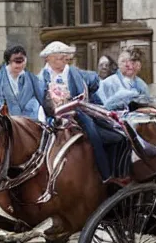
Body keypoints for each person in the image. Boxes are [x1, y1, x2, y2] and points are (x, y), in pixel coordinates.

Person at [39, 41, 120, 182]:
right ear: (48, 58)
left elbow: (94, 81)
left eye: (65, 57)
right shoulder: (41, 77)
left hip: (77, 111)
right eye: (59, 57)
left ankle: (105, 174)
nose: (63, 60)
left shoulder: (74, 72)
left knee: (96, 133)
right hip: (52, 116)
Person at [0, 45, 46, 121]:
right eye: (16, 61)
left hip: (29, 121)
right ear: (8, 61)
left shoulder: (32, 79)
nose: (20, 65)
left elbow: (42, 98)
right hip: (6, 121)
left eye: (22, 61)